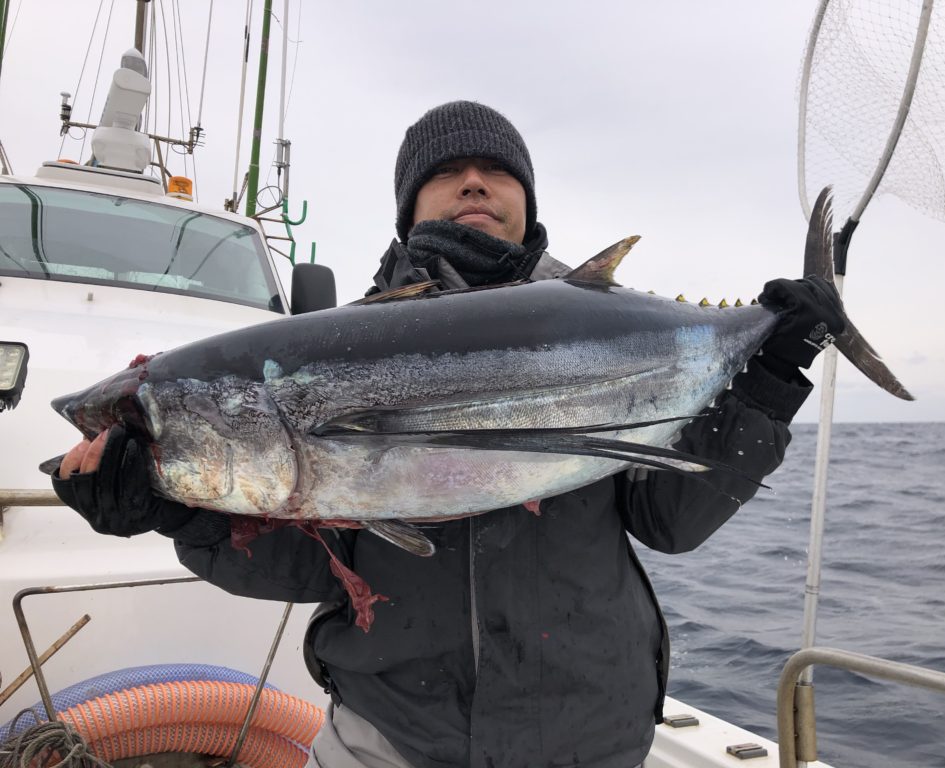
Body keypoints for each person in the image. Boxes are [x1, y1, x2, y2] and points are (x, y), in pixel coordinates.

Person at [54, 101, 845, 768]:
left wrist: (771, 378)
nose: (473, 180)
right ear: (409, 206)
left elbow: (674, 521)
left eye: (496, 170)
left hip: (594, 737)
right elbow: (309, 563)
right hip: (392, 737)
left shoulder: (609, 322)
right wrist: (180, 512)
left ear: (527, 201)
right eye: (447, 171)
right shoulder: (316, 352)